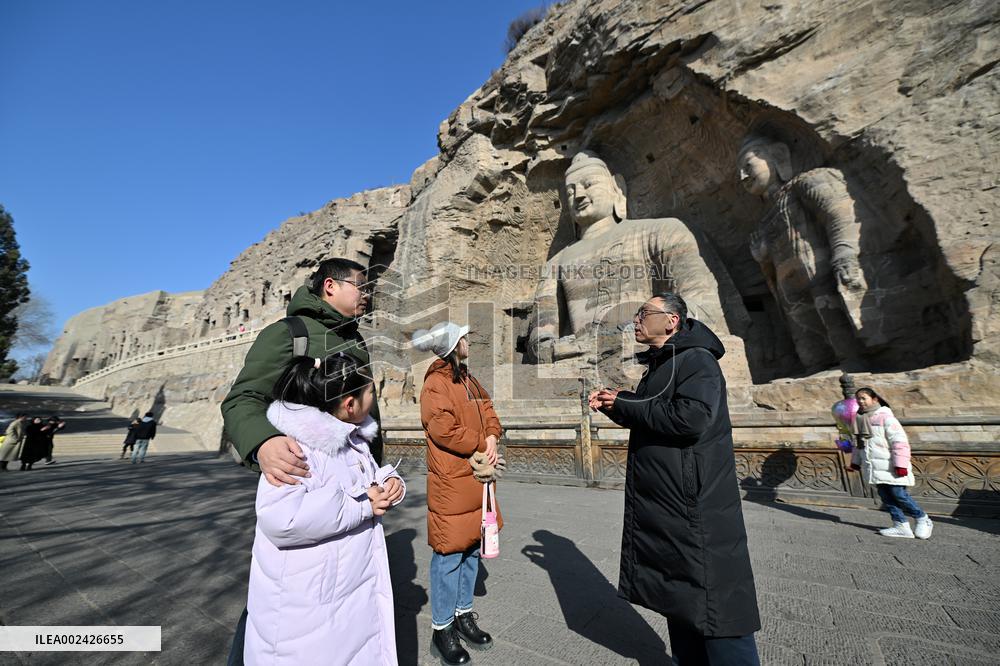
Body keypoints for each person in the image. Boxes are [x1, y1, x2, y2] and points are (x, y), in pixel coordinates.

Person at [221, 258, 379, 666]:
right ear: (330, 286)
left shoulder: (357, 342)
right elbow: (243, 399)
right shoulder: (288, 334)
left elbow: (360, 415)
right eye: (360, 286)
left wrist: (377, 473)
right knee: (277, 603)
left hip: (354, 492)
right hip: (303, 481)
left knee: (341, 609)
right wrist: (263, 443)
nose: (367, 294)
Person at [589, 293, 761, 666]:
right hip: (669, 505)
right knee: (682, 602)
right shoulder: (663, 365)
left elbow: (692, 417)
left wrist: (625, 402)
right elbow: (656, 417)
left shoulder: (697, 360)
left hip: (695, 505)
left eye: (643, 314)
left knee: (716, 605)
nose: (635, 321)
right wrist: (616, 405)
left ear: (671, 321)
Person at [243, 352, 404, 665]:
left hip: (344, 591)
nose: (376, 397)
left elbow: (363, 478)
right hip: (309, 604)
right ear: (349, 405)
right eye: (371, 392)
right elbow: (283, 518)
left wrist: (390, 481)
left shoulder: (352, 440)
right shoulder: (295, 450)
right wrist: (364, 504)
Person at [413, 321, 502, 666]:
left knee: (471, 549)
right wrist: (482, 442)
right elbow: (442, 429)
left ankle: (464, 615)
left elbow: (489, 411)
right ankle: (442, 628)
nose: (468, 341)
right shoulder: (436, 383)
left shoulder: (468, 378)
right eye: (464, 337)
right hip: (452, 480)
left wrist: (492, 434)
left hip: (478, 478)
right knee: (448, 554)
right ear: (452, 344)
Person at [849, 387, 932, 539]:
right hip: (873, 467)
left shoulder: (886, 417)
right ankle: (900, 525)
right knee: (886, 497)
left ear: (875, 399)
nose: (860, 401)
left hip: (890, 465)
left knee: (899, 495)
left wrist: (900, 464)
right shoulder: (860, 419)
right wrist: (855, 462)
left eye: (864, 398)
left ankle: (922, 518)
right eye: (858, 399)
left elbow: (899, 442)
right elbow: (858, 444)